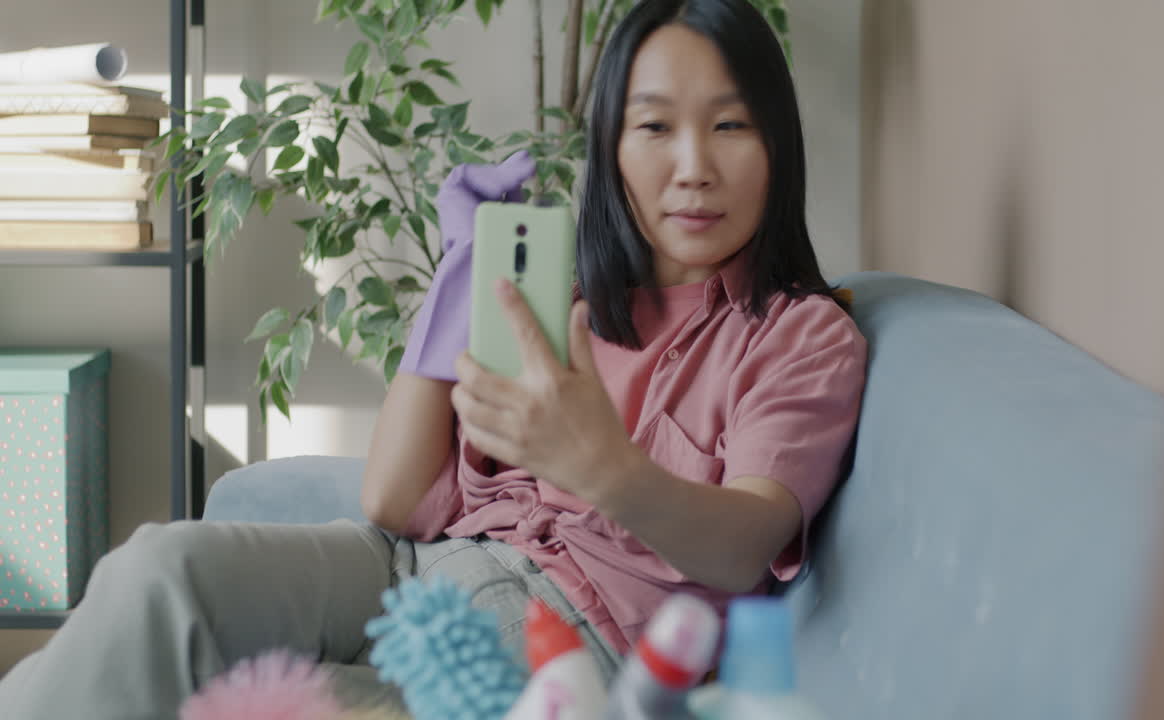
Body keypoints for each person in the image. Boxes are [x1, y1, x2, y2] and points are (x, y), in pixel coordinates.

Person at [0, 0, 866, 717]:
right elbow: (395, 500)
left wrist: (606, 470)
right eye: (655, 127)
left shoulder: (801, 336)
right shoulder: (563, 303)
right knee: (160, 573)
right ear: (611, 148)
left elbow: (743, 546)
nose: (693, 167)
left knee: (259, 704)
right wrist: (457, 282)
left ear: (777, 145)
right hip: (402, 570)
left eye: (730, 125)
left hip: (569, 641)